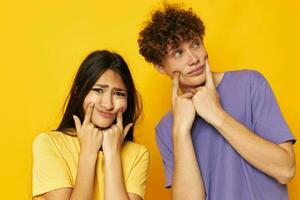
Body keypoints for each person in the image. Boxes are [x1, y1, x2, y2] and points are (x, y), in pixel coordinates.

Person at [138, 4, 296, 200]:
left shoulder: (250, 84)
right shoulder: (166, 128)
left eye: (195, 44)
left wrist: (217, 115)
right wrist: (180, 133)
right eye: (178, 53)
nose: (193, 59)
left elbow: (286, 169)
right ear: (160, 66)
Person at [32, 50, 149, 200]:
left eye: (119, 93)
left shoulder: (138, 154)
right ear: (78, 91)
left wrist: (112, 154)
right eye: (98, 90)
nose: (108, 104)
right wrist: (88, 151)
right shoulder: (49, 143)